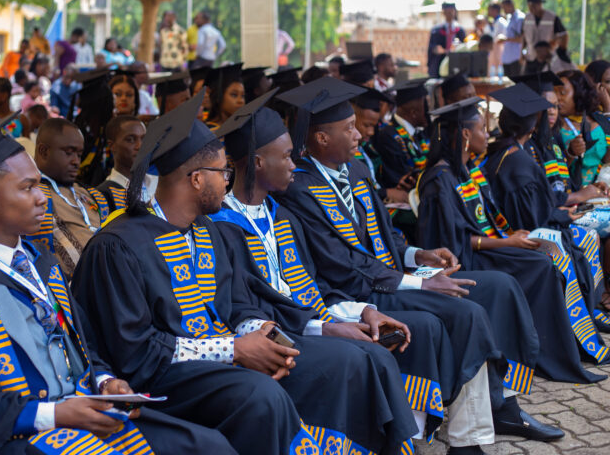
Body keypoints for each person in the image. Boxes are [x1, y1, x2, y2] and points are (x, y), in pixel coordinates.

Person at [71, 94, 416, 455]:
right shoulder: (120, 246)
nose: (228, 181)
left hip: (223, 358)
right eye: (223, 172)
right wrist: (233, 349)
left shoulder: (206, 231)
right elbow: (135, 352)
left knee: (340, 362)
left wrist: (264, 335)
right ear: (196, 179)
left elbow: (238, 304)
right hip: (165, 377)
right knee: (261, 394)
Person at [0, 127, 233, 454]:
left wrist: (105, 382)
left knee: (209, 446)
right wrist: (53, 414)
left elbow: (84, 347)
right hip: (16, 437)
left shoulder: (43, 265)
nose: (43, 198)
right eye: (27, 188)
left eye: (40, 185)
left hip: (85, 412)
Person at [213, 92, 516, 453]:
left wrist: (364, 310)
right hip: (283, 330)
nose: (294, 162)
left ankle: (433, 438)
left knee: (417, 328)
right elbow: (247, 307)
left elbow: (316, 282)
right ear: (259, 162)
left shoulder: (284, 215)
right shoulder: (225, 227)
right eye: (287, 156)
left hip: (325, 309)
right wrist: (333, 322)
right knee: (377, 351)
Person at [275, 77, 558, 447]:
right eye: (349, 128)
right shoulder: (299, 189)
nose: (359, 135)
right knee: (466, 311)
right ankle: (467, 439)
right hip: (361, 291)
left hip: (392, 274)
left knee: (498, 286)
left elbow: (384, 231)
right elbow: (339, 263)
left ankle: (504, 402)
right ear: (322, 138)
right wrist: (421, 282)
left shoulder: (357, 170)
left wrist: (417, 254)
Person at [417, 96, 606, 386]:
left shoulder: (466, 170)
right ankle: (544, 357)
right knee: (541, 267)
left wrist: (511, 237)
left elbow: (488, 220)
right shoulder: (440, 179)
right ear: (465, 135)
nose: (488, 134)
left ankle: (556, 351)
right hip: (465, 259)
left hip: (489, 246)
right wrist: (508, 243)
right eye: (482, 128)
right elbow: (453, 241)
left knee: (548, 259)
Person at [483, 83, 608, 335]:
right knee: (578, 240)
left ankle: (589, 309)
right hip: (524, 232)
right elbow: (533, 215)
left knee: (583, 237)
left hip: (519, 225)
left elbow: (533, 206)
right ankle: (577, 322)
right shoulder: (519, 160)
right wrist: (563, 215)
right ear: (532, 125)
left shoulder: (504, 152)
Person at [25, 118, 107, 279]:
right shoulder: (29, 193)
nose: (76, 161)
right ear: (43, 151)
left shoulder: (87, 193)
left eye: (79, 154)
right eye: (69, 153)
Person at [373, 80, 431, 189]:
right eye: (427, 107)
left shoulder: (417, 133)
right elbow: (403, 179)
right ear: (413, 113)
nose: (430, 112)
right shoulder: (389, 137)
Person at [557, 69, 610, 186]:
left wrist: (607, 107)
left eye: (562, 93)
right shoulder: (554, 127)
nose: (557, 98)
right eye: (554, 93)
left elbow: (607, 159)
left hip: (599, 190)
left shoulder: (599, 121)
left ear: (579, 93)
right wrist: (570, 153)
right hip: (570, 192)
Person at [96, 116, 156, 214]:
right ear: (112, 145)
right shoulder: (104, 195)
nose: (140, 146)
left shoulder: (158, 183)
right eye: (130, 140)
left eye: (144, 139)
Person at [523, 0, 568, 73]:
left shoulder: (552, 17)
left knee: (545, 79)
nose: (531, 9)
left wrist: (559, 49)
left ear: (540, 4)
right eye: (529, 7)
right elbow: (523, 36)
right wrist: (521, 53)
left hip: (547, 58)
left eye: (533, 6)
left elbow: (563, 35)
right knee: (528, 79)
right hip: (531, 57)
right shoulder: (527, 18)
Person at [427, 2, 467, 78]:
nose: (450, 13)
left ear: (455, 12)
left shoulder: (460, 30)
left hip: (456, 65)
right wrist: (442, 51)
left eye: (451, 11)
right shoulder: (436, 30)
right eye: (447, 11)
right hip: (439, 65)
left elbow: (464, 48)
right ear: (443, 12)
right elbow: (433, 49)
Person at [205, 63, 244, 128]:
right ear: (218, 96)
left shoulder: (239, 127)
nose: (241, 101)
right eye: (234, 95)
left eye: (242, 96)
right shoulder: (209, 131)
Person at [501, 0, 525, 78]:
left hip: (516, 57)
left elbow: (521, 39)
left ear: (511, 5)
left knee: (517, 81)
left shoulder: (520, 18)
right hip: (507, 57)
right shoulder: (509, 18)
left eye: (504, 7)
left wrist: (506, 39)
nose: (504, 10)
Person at [487, 3, 508, 70]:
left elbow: (503, 38)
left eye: (489, 10)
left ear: (495, 10)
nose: (488, 12)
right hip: (496, 52)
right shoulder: (495, 22)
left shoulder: (501, 22)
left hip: (501, 52)